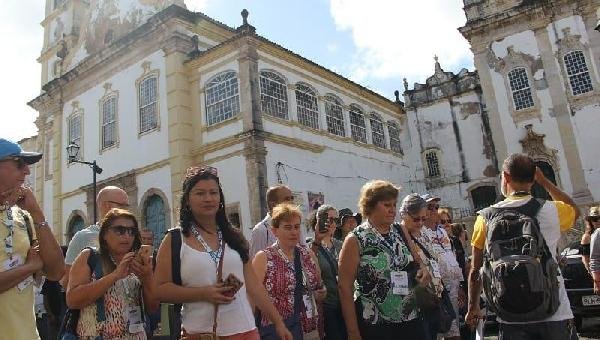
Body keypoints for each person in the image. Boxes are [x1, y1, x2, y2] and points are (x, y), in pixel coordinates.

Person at [154, 166, 292, 339]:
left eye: (213, 192)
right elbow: (159, 289)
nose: (208, 198)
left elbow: (254, 286)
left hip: (246, 330)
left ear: (220, 198)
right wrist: (204, 293)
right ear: (187, 200)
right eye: (200, 193)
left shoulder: (234, 236)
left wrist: (278, 322)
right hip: (202, 334)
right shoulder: (174, 239)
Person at [466, 153, 579, 339]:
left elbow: (475, 270)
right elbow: (575, 210)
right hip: (554, 312)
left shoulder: (484, 218)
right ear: (533, 177)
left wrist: (473, 307)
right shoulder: (551, 210)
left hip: (509, 315)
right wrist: (545, 182)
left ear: (506, 177)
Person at [338, 180, 431, 340]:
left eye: (394, 205)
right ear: (371, 205)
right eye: (387, 205)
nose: (392, 210)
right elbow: (344, 288)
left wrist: (423, 269)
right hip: (376, 324)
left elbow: (417, 260)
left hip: (410, 317)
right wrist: (353, 332)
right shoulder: (355, 239)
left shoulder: (399, 230)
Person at [0, 138, 64, 339]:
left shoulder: (23, 216)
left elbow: (55, 272)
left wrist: (37, 213)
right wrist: (29, 267)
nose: (27, 171)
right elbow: (35, 265)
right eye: (19, 163)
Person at [67, 208, 158, 339]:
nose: (126, 236)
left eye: (131, 231)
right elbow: (72, 300)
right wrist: (115, 275)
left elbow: (152, 308)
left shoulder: (138, 261)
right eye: (119, 230)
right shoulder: (89, 257)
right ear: (104, 234)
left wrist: (147, 278)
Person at [253, 203, 326, 340]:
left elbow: (320, 287)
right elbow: (252, 296)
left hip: (309, 330)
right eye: (287, 227)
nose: (294, 232)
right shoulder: (263, 258)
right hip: (276, 332)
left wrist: (320, 293)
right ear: (274, 231)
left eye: (297, 227)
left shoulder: (308, 254)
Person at [62, 186, 130, 288]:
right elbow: (67, 282)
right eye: (122, 206)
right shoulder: (83, 237)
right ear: (106, 205)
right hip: (98, 302)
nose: (127, 211)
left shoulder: (131, 236)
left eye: (127, 206)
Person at [418, 195, 462, 340]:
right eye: (429, 206)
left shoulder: (442, 231)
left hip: (453, 287)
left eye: (436, 207)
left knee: (454, 330)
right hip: (437, 290)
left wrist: (460, 284)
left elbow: (451, 256)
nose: (433, 210)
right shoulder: (420, 231)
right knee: (442, 331)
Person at [309, 204, 345, 340]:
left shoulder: (341, 245)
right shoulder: (310, 246)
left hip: (344, 303)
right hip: (327, 306)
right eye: (329, 219)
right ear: (319, 220)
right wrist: (317, 240)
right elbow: (309, 265)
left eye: (336, 220)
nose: (333, 223)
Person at [250, 185, 297, 258]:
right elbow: (254, 264)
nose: (292, 203)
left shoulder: (295, 225)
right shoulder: (260, 231)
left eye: (292, 198)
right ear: (273, 204)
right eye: (287, 199)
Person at [581, 206, 600, 273]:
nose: (598, 221)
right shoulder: (587, 237)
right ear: (590, 221)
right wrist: (592, 273)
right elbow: (585, 258)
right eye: (595, 219)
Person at [587, 206, 600, 295]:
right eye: (595, 219)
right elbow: (594, 259)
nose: (598, 221)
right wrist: (597, 282)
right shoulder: (597, 233)